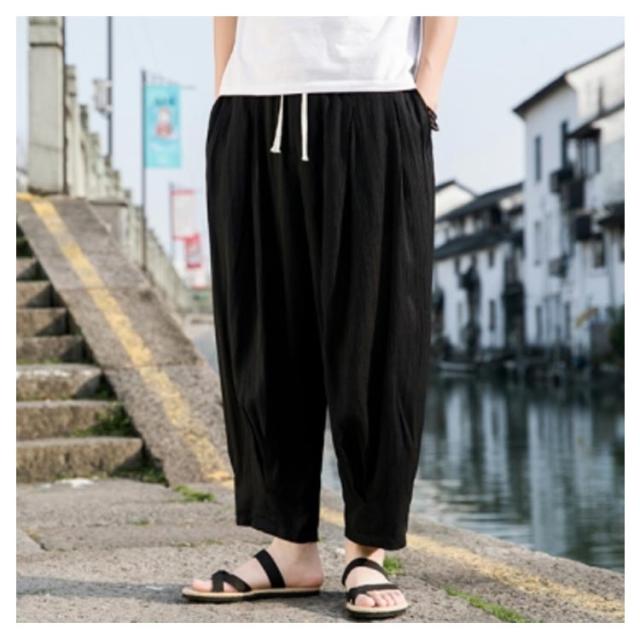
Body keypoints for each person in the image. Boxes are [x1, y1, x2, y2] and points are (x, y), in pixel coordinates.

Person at [182, 16, 457, 619]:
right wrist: (226, 88)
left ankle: (367, 549)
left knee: (376, 335)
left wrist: (425, 91)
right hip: (253, 105)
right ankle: (290, 548)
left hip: (375, 97)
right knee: (264, 334)